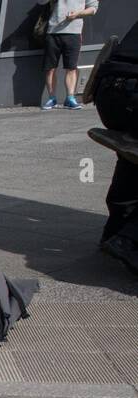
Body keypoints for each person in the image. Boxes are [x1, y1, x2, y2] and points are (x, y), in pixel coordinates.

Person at [91, 15, 138, 274]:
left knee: (132, 154)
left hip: (109, 93)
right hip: (133, 91)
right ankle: (130, 237)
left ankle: (116, 232)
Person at [43, 0, 99, 110]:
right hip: (53, 32)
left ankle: (70, 98)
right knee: (50, 68)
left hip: (74, 32)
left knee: (71, 68)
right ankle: (52, 98)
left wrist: (77, 14)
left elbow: (93, 9)